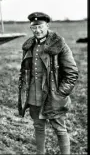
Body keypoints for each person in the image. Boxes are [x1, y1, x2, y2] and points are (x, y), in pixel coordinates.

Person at [18, 12, 79, 154]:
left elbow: (72, 73)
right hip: (34, 95)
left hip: (53, 96)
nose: (37, 30)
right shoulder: (29, 45)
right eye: (34, 28)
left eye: (40, 27)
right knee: (38, 127)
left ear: (47, 26)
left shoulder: (59, 44)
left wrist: (60, 93)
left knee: (60, 129)